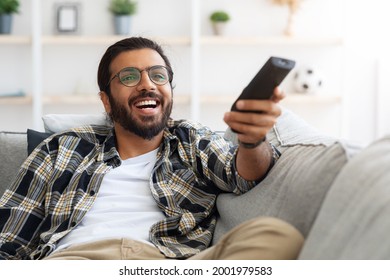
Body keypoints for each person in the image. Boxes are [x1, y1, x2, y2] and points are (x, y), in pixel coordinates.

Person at [0, 37, 303, 260]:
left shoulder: (191, 140)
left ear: (170, 90)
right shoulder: (61, 148)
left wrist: (252, 139)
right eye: (129, 77)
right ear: (106, 100)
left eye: (158, 76)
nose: (147, 84)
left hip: (166, 264)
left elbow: (243, 174)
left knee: (277, 235)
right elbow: (9, 241)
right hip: (78, 260)